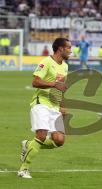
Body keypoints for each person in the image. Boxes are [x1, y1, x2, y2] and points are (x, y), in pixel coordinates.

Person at [17, 38, 71, 178]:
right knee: (41, 135)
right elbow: (35, 81)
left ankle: (28, 144)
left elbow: (61, 89)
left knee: (59, 140)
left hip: (54, 105)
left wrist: (62, 106)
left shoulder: (65, 66)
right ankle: (23, 169)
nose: (71, 51)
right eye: (68, 48)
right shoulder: (46, 62)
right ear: (60, 49)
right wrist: (53, 84)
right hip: (41, 103)